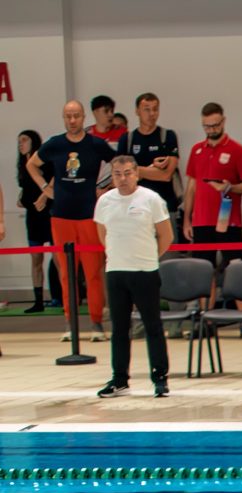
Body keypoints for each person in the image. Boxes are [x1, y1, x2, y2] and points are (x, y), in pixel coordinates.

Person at [92, 154, 171, 399]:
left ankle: (160, 377)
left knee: (152, 326)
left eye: (127, 173)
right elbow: (102, 234)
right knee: (119, 329)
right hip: (116, 272)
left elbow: (166, 236)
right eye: (117, 174)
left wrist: (149, 257)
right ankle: (119, 379)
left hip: (145, 271)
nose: (123, 178)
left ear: (136, 174)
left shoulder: (151, 199)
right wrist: (118, 256)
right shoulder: (105, 201)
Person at [33, 100, 112, 330]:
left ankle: (96, 321)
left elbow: (119, 162)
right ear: (63, 118)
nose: (72, 120)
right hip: (61, 217)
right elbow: (32, 164)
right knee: (67, 274)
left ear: (84, 117)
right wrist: (44, 188)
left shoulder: (96, 144)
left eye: (76, 115)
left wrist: (106, 190)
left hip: (89, 216)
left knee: (93, 272)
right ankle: (71, 322)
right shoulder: (55, 144)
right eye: (68, 116)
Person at [185, 104, 242, 287]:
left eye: (215, 125)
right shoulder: (196, 150)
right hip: (202, 220)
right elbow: (192, 186)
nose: (211, 130)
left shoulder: (237, 150)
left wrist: (229, 187)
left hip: (228, 220)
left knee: (236, 269)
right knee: (203, 272)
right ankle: (205, 306)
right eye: (206, 126)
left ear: (223, 122)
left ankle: (241, 305)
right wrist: (187, 219)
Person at [125, 94, 181, 238]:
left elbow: (166, 175)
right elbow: (122, 177)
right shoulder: (127, 140)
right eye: (147, 109)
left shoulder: (167, 136)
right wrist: (152, 169)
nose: (152, 114)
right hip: (136, 210)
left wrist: (135, 171)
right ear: (137, 111)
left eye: (155, 109)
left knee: (168, 251)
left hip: (165, 208)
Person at [15, 129, 54, 316]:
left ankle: (64, 297)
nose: (20, 143)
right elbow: (24, 187)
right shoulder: (22, 164)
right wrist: (22, 198)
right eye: (19, 141)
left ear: (33, 141)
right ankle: (38, 300)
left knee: (59, 258)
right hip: (32, 216)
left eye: (24, 140)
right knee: (35, 259)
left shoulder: (43, 160)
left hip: (48, 213)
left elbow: (54, 178)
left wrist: (44, 197)